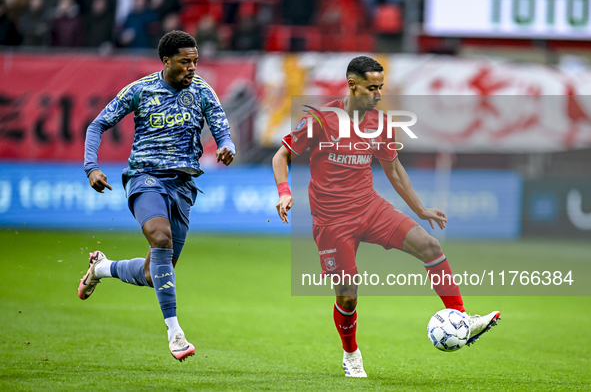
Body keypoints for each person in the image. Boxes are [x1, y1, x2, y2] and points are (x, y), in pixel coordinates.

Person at [272, 56, 500, 378]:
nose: (378, 94)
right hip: (332, 221)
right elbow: (281, 156)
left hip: (369, 207)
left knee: (430, 245)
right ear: (352, 85)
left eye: (382, 87)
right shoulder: (320, 120)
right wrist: (284, 191)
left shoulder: (380, 122)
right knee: (348, 296)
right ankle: (351, 353)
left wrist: (419, 209)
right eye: (372, 88)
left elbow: (393, 169)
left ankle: (462, 317)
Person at [79, 30, 235, 362]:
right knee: (160, 238)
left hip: (183, 186)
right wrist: (91, 166)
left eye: (195, 61)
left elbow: (222, 128)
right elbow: (97, 125)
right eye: (185, 61)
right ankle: (175, 333)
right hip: (145, 178)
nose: (192, 67)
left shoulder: (203, 91)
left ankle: (101, 268)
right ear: (166, 61)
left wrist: (226, 146)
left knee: (155, 273)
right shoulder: (141, 90)